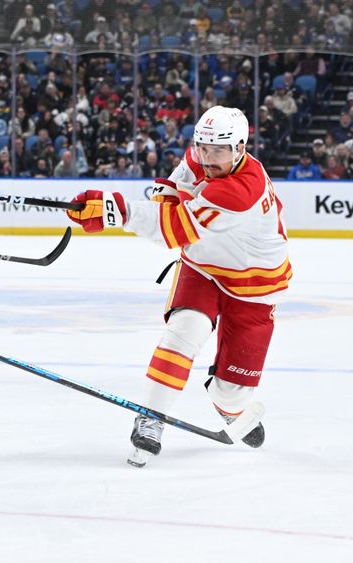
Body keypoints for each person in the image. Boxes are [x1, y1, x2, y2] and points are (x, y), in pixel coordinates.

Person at [65, 106, 291, 467]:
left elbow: (175, 228)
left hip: (255, 287)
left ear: (240, 148)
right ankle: (152, 416)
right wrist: (129, 208)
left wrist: (117, 211)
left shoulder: (241, 191)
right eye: (203, 147)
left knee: (231, 394)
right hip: (203, 268)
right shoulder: (198, 158)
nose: (208, 158)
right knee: (185, 332)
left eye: (219, 151)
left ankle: (231, 408)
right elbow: (171, 194)